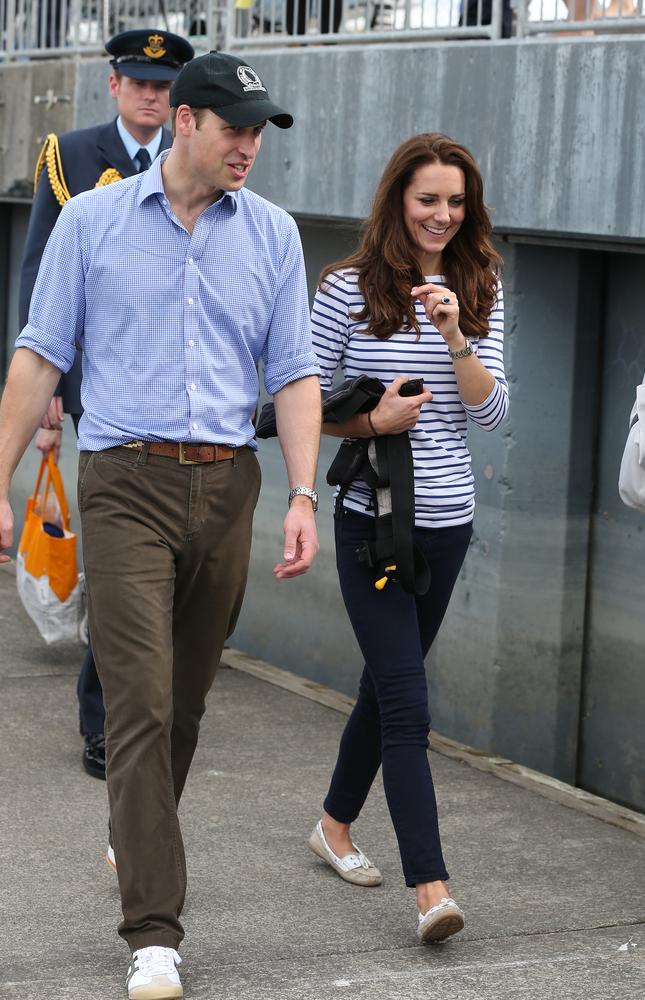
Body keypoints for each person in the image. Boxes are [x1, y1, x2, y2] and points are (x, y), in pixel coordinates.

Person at [0, 51, 322, 999]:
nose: (250, 147)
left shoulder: (272, 234)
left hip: (229, 487)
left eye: (261, 132)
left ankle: (131, 831)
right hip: (123, 481)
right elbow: (38, 358)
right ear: (184, 123)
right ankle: (154, 932)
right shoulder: (92, 221)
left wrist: (302, 495)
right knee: (137, 700)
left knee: (182, 704)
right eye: (235, 128)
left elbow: (296, 374)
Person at [308, 133, 508, 943]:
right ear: (398, 200)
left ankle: (331, 825)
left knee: (386, 686)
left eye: (456, 202)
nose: (442, 215)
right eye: (428, 199)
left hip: (447, 524)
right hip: (370, 520)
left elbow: (493, 414)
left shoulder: (481, 282)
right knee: (408, 704)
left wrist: (457, 333)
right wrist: (373, 419)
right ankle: (432, 888)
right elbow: (307, 407)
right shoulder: (345, 289)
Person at [19, 28, 194, 781]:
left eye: (164, 84)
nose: (152, 95)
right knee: (116, 563)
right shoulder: (72, 158)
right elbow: (37, 275)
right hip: (99, 391)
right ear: (114, 85)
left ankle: (152, 710)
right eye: (139, 82)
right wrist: (49, 393)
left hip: (178, 394)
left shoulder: (201, 158)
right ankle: (103, 724)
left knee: (171, 569)